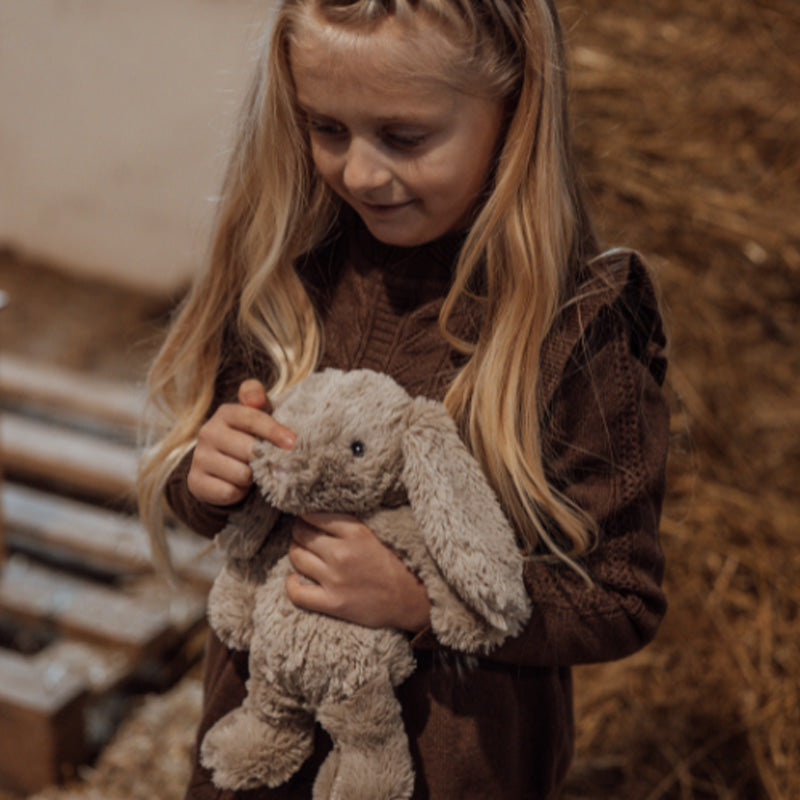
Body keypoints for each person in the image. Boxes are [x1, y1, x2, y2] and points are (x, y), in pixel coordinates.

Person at [138, 0, 670, 796]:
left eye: (405, 137)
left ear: (514, 108)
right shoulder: (287, 275)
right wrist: (203, 476)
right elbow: (211, 496)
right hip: (261, 746)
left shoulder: (578, 326)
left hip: (453, 765)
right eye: (326, 129)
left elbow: (622, 597)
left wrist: (421, 603)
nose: (358, 173)